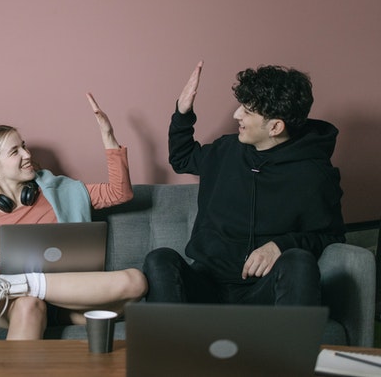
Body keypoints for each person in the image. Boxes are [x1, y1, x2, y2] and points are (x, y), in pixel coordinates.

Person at [143, 61, 345, 306]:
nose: (236, 114)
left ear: (275, 126)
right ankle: (170, 343)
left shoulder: (314, 174)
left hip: (264, 290)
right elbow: (182, 158)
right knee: (160, 259)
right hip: (207, 285)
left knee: (298, 262)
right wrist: (183, 113)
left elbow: (332, 237)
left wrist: (281, 246)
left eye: (247, 111)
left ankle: (289, 343)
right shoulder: (226, 149)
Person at [0, 93, 147, 340]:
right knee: (29, 304)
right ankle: (21, 288)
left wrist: (108, 135)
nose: (26, 154)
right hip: (10, 306)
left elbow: (120, 193)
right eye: (15, 151)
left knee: (136, 281)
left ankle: (23, 283)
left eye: (23, 145)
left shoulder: (61, 191)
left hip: (67, 298)